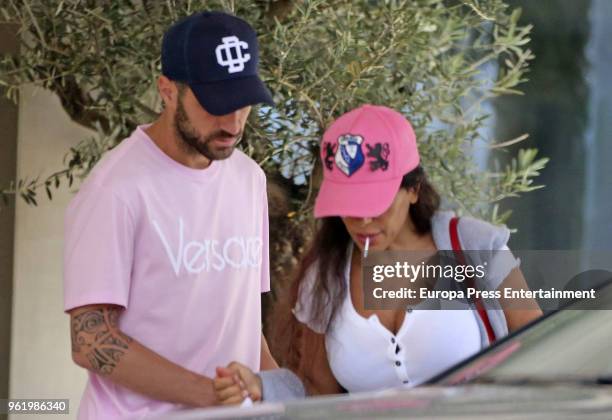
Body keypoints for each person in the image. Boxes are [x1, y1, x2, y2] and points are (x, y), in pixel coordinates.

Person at [213, 104, 543, 404]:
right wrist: (261, 386)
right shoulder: (323, 276)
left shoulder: (478, 246)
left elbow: (542, 351)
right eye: (349, 205)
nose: (363, 220)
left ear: (413, 189)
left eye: (375, 203)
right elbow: (316, 392)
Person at [63, 11, 279, 419]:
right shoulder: (116, 189)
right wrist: (210, 395)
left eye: (243, 102)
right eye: (215, 103)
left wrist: (277, 397)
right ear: (167, 90)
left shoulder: (249, 179)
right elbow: (90, 341)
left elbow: (244, 324)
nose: (233, 122)